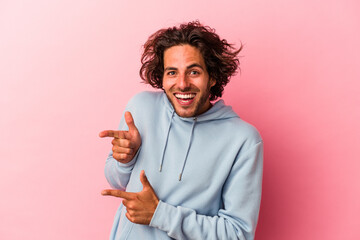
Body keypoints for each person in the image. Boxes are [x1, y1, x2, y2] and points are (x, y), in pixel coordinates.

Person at [99, 21, 263, 240]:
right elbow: (117, 181)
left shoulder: (243, 140)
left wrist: (160, 215)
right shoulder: (141, 108)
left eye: (193, 72)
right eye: (172, 72)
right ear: (163, 78)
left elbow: (238, 233)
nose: (182, 84)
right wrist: (126, 159)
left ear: (212, 77)